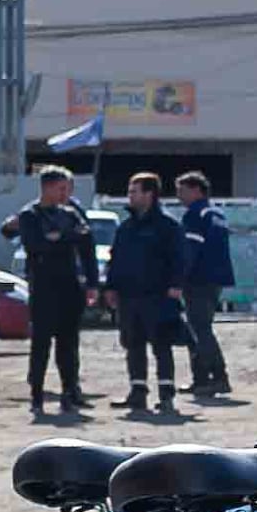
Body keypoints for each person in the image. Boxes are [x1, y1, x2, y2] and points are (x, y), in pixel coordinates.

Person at [0, 165, 95, 414]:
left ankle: (70, 392)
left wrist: (92, 283)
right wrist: (65, 238)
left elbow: (86, 246)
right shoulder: (31, 215)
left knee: (69, 344)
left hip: (70, 287)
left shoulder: (72, 214)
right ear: (47, 188)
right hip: (43, 287)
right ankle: (37, 394)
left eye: (68, 188)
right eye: (61, 188)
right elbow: (36, 245)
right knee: (41, 343)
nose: (66, 193)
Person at [101, 169, 189, 419]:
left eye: (134, 191)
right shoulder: (126, 227)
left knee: (162, 345)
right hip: (130, 297)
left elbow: (181, 258)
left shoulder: (168, 226)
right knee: (133, 345)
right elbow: (116, 259)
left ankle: (166, 394)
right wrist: (111, 287)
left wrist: (175, 285)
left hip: (158, 296)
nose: (130, 196)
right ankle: (137, 393)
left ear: (149, 194)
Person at [170, 171, 238, 399]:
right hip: (215, 279)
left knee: (200, 329)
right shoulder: (216, 213)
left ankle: (219, 378)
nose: (178, 195)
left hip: (198, 279)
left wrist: (178, 280)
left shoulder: (195, 215)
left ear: (196, 190)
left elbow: (190, 252)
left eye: (182, 190)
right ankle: (201, 379)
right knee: (197, 328)